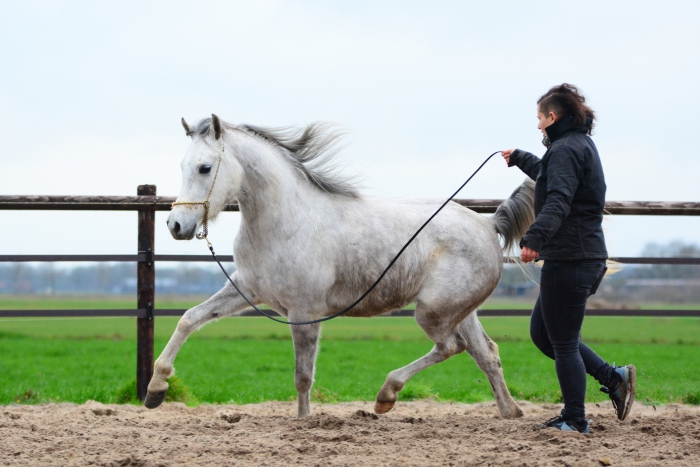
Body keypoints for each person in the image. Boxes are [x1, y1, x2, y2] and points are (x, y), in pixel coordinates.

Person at [502, 84, 635, 434]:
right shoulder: (574, 146)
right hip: (579, 258)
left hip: (571, 260)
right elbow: (552, 177)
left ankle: (575, 420)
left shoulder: (565, 150)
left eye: (540, 118)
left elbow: (559, 198)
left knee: (562, 343)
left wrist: (534, 238)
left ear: (552, 116)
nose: (538, 125)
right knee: (544, 335)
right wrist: (519, 157)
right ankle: (613, 377)